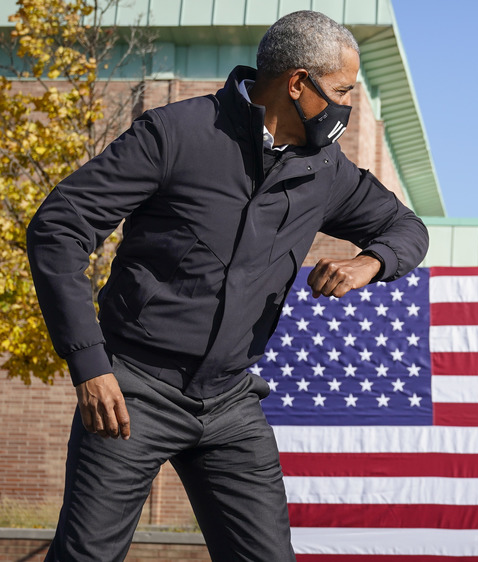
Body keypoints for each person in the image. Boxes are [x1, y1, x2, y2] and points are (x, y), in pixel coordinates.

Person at [26, 11, 428, 561]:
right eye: (339, 91)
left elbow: (406, 228)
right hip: (132, 390)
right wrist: (90, 364)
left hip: (230, 400)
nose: (345, 106)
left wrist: (371, 263)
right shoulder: (175, 135)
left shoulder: (326, 170)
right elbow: (58, 228)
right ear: (297, 84)